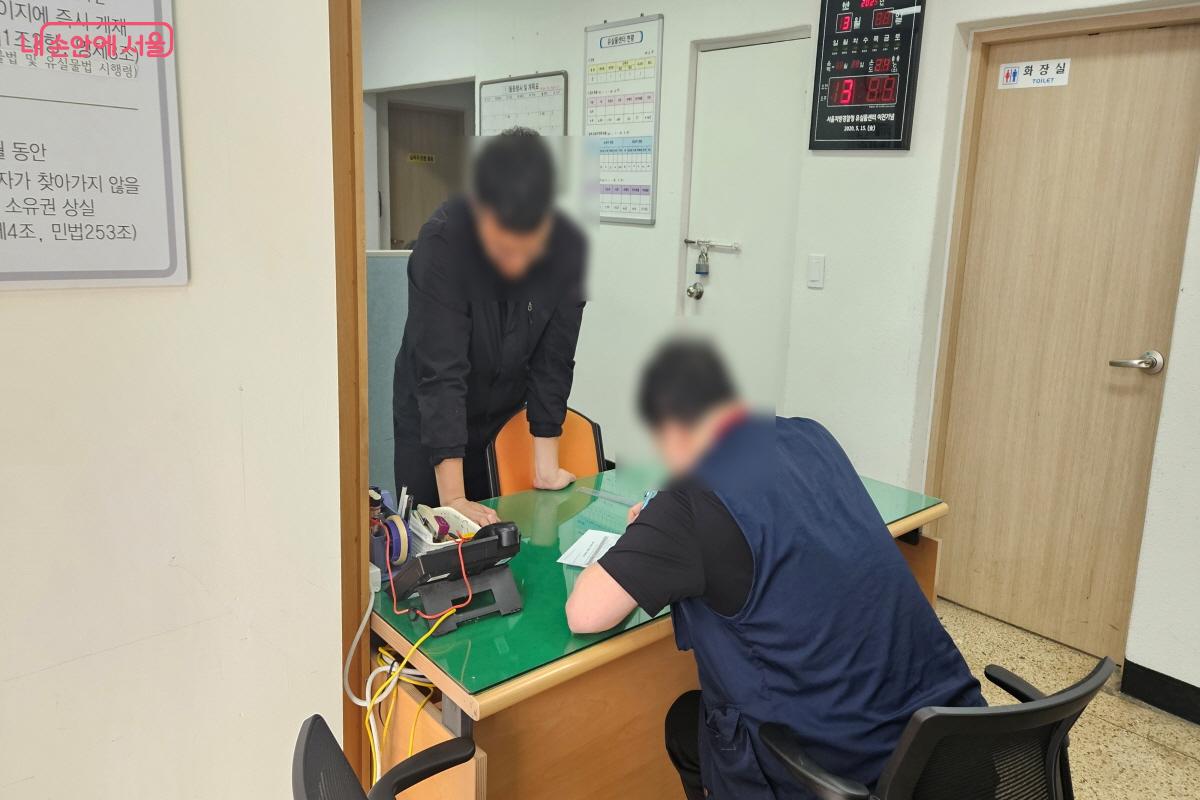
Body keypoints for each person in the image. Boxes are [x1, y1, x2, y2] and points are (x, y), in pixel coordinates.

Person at [565, 338, 985, 799]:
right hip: (954, 738)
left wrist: (647, 529)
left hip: (843, 774)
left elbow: (585, 613)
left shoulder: (690, 498)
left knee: (684, 723)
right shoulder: (813, 437)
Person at [392, 128, 586, 526]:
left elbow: (553, 364)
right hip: (432, 418)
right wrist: (454, 499)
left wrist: (546, 469)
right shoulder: (444, 244)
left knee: (504, 531)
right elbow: (442, 373)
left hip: (501, 415)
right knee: (438, 534)